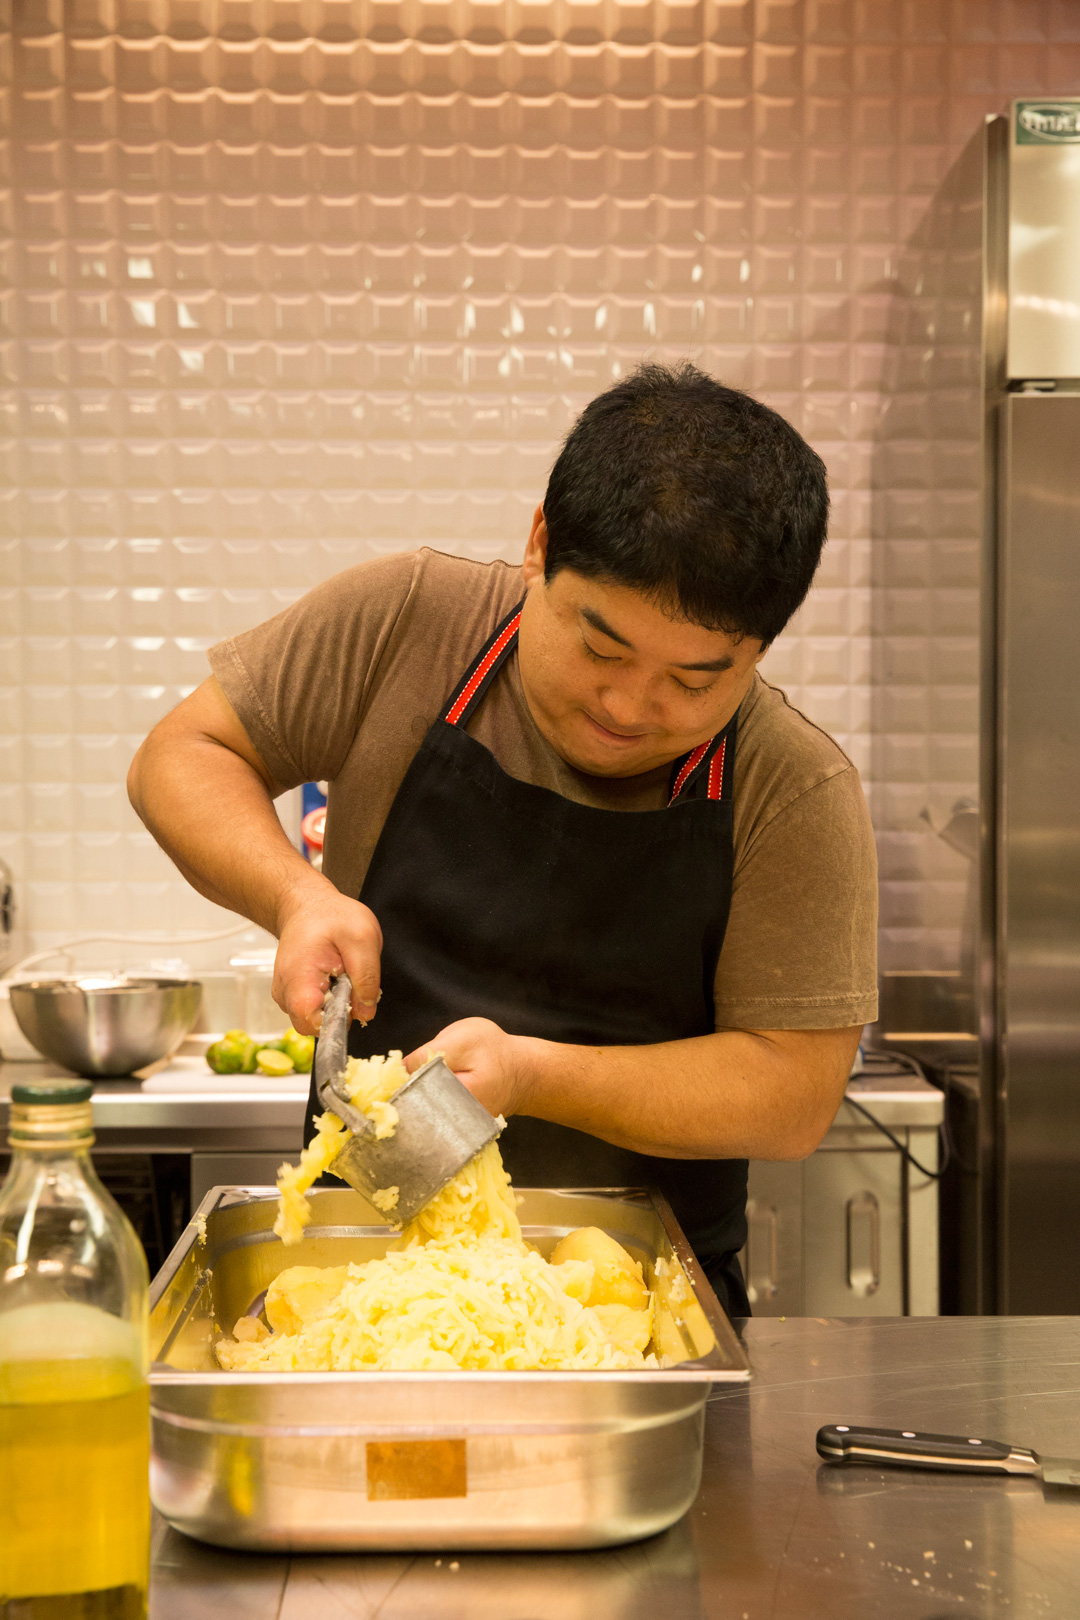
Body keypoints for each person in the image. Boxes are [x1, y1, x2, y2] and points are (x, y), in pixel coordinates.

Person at [128, 363, 878, 1316]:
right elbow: (182, 753)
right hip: (357, 1285)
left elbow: (792, 1091)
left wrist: (531, 1074)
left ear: (759, 650)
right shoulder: (408, 622)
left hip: (633, 1313)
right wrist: (297, 896)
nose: (627, 705)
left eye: (693, 682)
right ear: (539, 544)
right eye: (599, 647)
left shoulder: (790, 784)